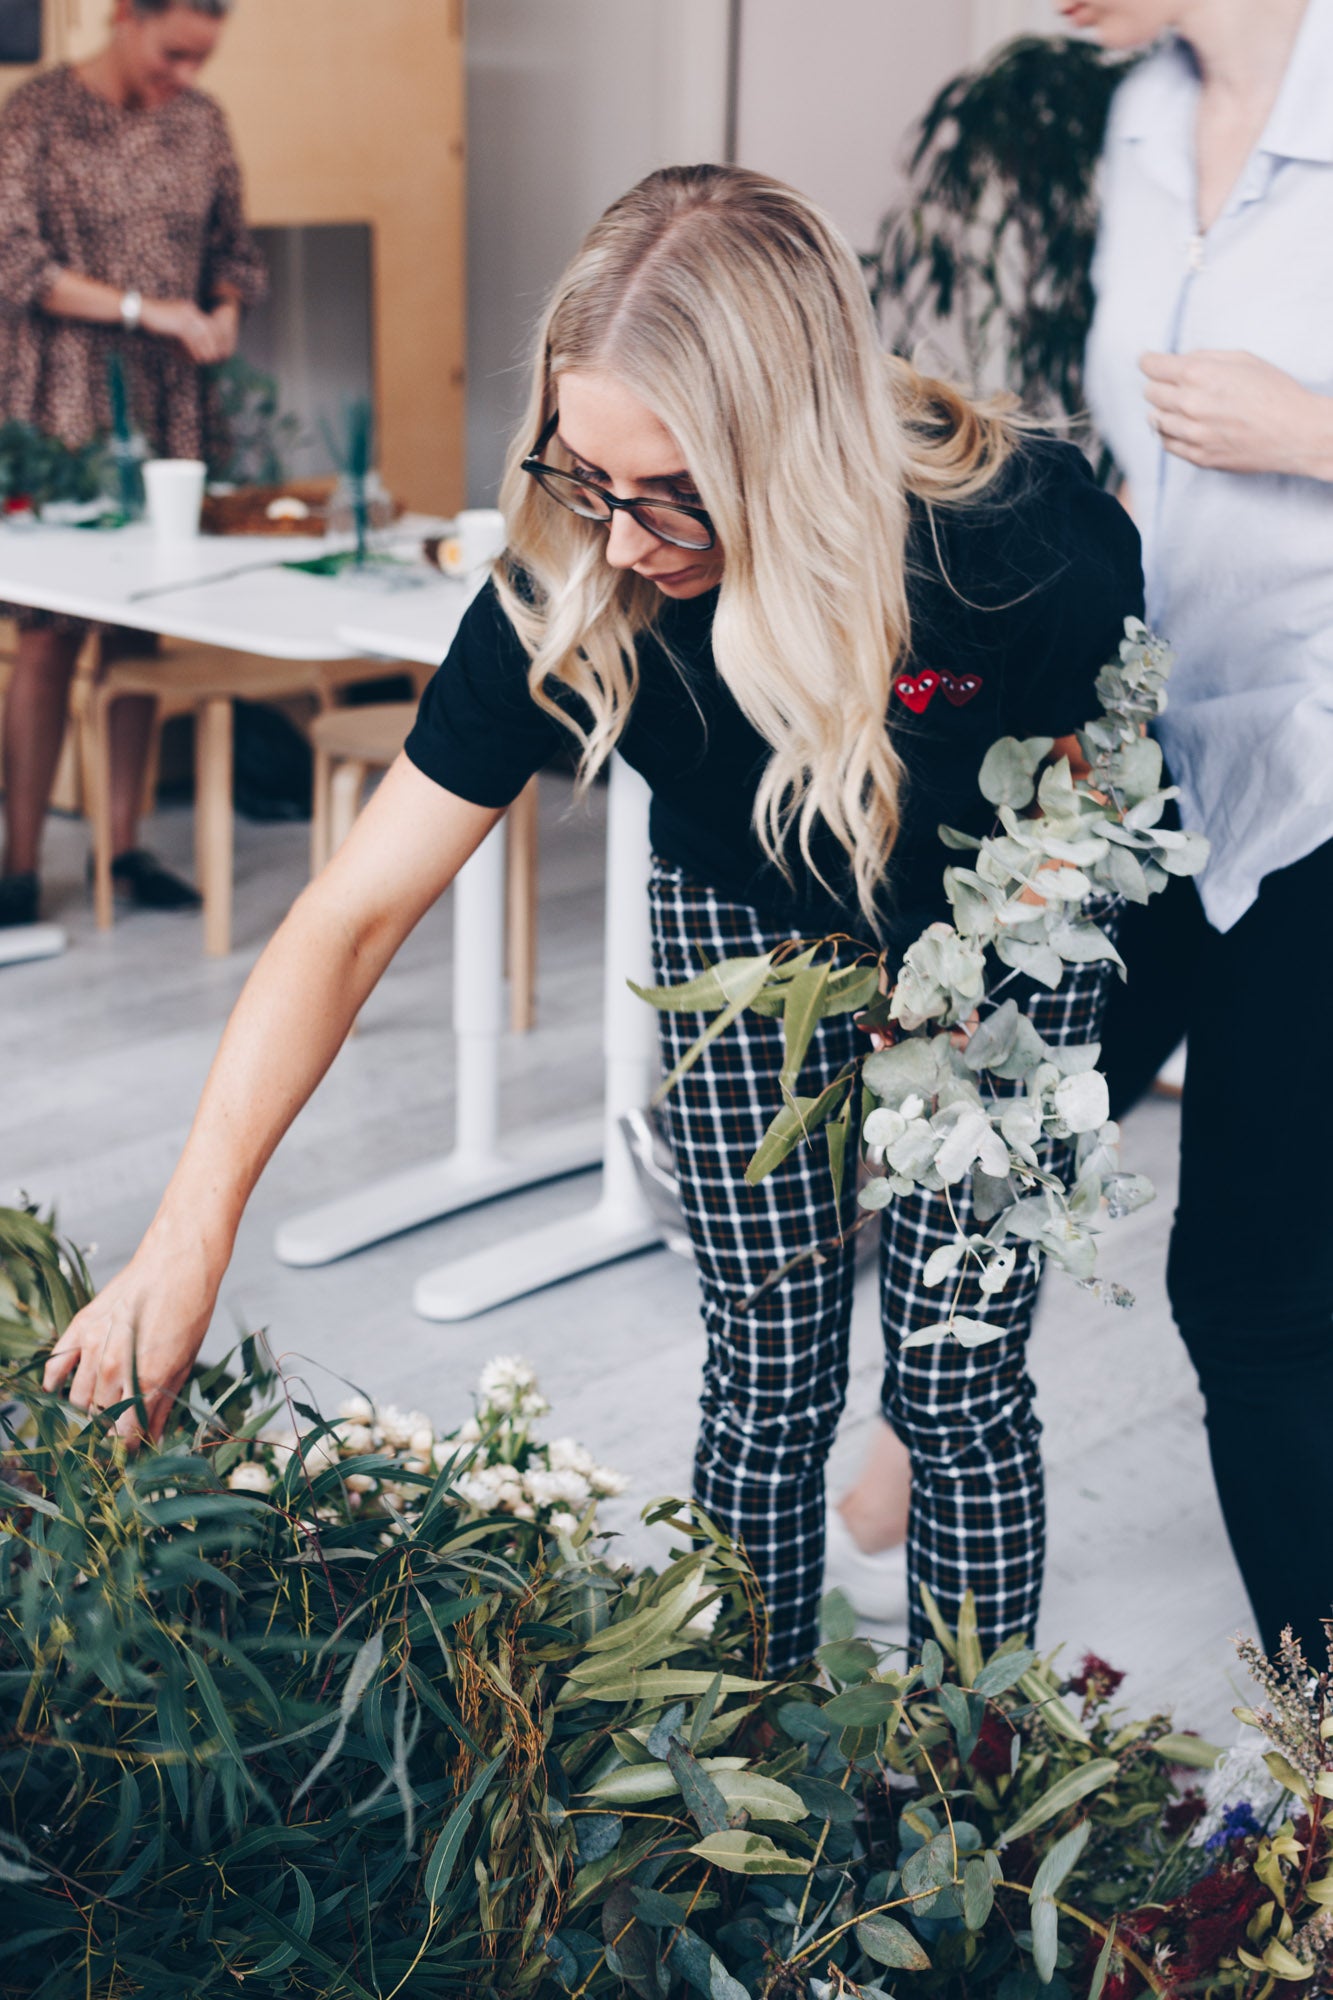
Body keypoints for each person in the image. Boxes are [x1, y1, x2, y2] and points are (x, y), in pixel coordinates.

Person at [42, 166, 1143, 1674]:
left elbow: (1108, 791)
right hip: (738, 928)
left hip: (999, 935)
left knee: (957, 1391)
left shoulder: (1014, 549)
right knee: (766, 1370)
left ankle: (976, 1788)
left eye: (673, 492)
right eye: (584, 476)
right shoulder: (573, 578)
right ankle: (752, 1784)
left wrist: (982, 982)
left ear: (793, 448)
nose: (621, 543)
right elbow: (354, 913)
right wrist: (191, 1226)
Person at [1071, 0, 1333, 1659]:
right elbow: (1138, 459)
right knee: (1019, 1103)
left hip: (1325, 775)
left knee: (1243, 1283)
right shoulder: (1137, 127)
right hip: (1164, 752)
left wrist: (1313, 431)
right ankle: (909, 1438)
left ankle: (1317, 1800)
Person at [0, 0, 266, 928]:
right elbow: (13, 262)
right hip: (62, 404)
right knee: (48, 635)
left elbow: (235, 249)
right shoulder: (34, 115)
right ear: (123, 18)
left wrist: (225, 305)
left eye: (201, 57)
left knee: (138, 628)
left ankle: (122, 847)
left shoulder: (202, 122)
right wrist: (140, 310)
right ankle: (21, 868)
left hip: (171, 403)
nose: (185, 74)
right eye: (173, 52)